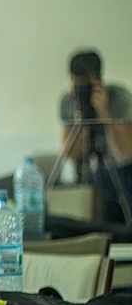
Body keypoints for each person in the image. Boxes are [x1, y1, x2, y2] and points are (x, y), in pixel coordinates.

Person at [59, 49, 132, 224]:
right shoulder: (68, 101)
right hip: (84, 176)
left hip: (121, 175)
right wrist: (81, 120)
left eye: (88, 84)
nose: (84, 90)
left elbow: (126, 154)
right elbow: (72, 155)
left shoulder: (119, 97)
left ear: (100, 81)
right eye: (78, 85)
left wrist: (105, 115)